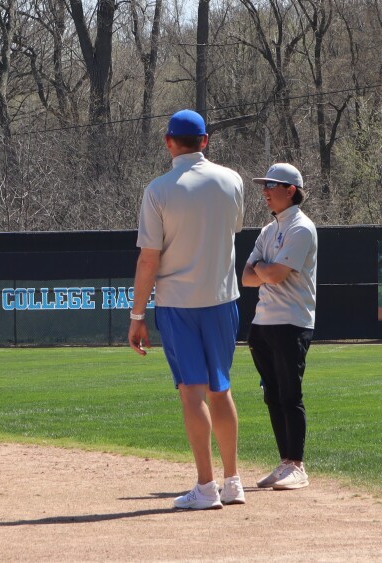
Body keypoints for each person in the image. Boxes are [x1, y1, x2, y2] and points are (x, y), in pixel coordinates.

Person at [128, 110, 246, 510]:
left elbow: (149, 259)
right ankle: (233, 482)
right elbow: (233, 230)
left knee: (192, 392)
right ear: (205, 141)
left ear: (168, 142)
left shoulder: (158, 190)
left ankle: (206, 487)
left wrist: (137, 316)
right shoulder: (232, 180)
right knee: (221, 389)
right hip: (222, 299)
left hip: (178, 303)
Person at [241, 163, 317, 491]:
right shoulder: (268, 230)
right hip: (263, 323)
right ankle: (285, 462)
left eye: (271, 185)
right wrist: (263, 269)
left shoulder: (302, 227)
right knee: (272, 396)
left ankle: (297, 465)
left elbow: (273, 275)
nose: (265, 192)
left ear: (291, 190)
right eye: (264, 185)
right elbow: (246, 278)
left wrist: (262, 267)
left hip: (292, 322)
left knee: (290, 395)